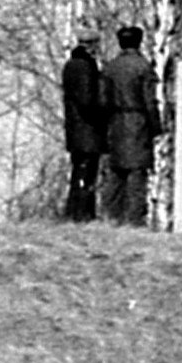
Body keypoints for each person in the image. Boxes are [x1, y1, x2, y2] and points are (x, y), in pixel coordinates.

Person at [100, 24, 159, 227]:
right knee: (136, 174)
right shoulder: (143, 67)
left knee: (116, 173)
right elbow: (150, 101)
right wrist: (155, 126)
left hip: (115, 124)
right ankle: (134, 221)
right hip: (137, 123)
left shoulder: (110, 67)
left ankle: (111, 218)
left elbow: (103, 100)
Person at [57, 28, 106, 221]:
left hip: (75, 127)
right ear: (92, 45)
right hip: (87, 128)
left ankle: (76, 213)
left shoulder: (71, 64)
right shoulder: (85, 66)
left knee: (79, 169)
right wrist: (101, 113)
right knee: (86, 172)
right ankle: (82, 214)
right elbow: (87, 101)